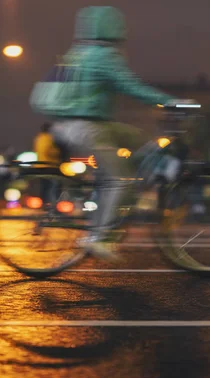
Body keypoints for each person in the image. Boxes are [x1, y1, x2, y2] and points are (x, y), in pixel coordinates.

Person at [31, 6, 192, 260]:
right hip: (87, 128)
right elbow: (132, 87)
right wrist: (172, 102)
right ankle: (101, 236)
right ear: (112, 29)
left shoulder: (79, 53)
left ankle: (153, 171)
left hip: (79, 125)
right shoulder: (103, 56)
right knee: (121, 179)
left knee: (137, 138)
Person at [33, 122, 63, 205]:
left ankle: (44, 204)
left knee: (44, 186)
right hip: (50, 165)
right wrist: (58, 152)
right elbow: (49, 151)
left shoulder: (38, 138)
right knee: (53, 185)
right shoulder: (49, 138)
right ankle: (52, 204)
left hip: (40, 165)